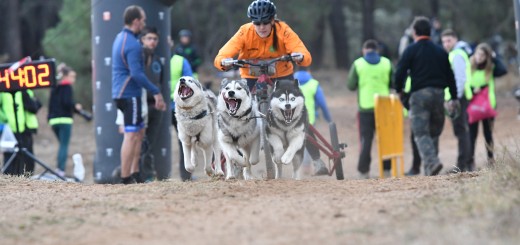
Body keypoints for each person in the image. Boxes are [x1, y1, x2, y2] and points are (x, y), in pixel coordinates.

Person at [395, 16, 458, 176]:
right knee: (434, 131)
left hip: (419, 95)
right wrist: (453, 96)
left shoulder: (411, 49)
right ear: (430, 32)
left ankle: (431, 162)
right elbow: (450, 75)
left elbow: (400, 71)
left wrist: (399, 90)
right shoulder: (440, 51)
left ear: (414, 32)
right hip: (439, 94)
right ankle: (431, 171)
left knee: (421, 132)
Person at [111, 5, 166, 184]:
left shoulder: (121, 38)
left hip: (124, 93)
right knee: (131, 135)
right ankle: (126, 177)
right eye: (142, 19)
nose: (144, 22)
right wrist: (156, 92)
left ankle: (135, 173)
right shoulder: (133, 44)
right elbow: (136, 74)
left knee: (139, 132)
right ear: (136, 21)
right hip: (129, 94)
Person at [214, 0, 312, 90]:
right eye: (257, 23)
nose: (261, 27)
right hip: (250, 76)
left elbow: (303, 54)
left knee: (292, 103)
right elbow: (222, 55)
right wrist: (223, 62)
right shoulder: (244, 32)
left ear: (273, 20)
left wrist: (300, 57)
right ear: (252, 22)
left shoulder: (283, 30)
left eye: (265, 23)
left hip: (282, 74)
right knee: (241, 105)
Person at [347, 39, 393, 179]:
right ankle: (386, 170)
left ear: (364, 50)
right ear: (377, 50)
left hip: (365, 108)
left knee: (366, 140)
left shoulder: (358, 64)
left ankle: (364, 171)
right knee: (385, 139)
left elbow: (351, 85)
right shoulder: (387, 63)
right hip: (384, 106)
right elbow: (394, 82)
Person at [468, 43, 507, 170]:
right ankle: (470, 161)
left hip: (488, 106)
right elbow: (464, 82)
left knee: (488, 134)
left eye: (483, 55)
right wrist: (472, 90)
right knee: (471, 135)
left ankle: (491, 161)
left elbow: (503, 70)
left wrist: (494, 58)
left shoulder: (491, 68)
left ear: (487, 57)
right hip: (472, 105)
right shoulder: (469, 65)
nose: (479, 57)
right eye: (478, 53)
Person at [441, 29, 473, 173]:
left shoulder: (457, 55)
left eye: (449, 40)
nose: (446, 44)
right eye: (444, 41)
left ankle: (462, 164)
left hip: (458, 98)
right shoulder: (454, 54)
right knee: (461, 130)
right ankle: (466, 163)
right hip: (457, 97)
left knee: (461, 130)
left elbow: (460, 79)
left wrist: (455, 99)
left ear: (455, 39)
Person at [47, 64, 83, 177]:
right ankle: (60, 170)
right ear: (66, 76)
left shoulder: (54, 87)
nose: (73, 79)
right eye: (72, 76)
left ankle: (59, 169)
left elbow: (50, 104)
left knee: (61, 145)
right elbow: (67, 103)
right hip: (65, 120)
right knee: (64, 145)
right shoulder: (67, 87)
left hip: (53, 121)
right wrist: (76, 107)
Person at [294, 67, 331, 176]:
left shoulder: (291, 83)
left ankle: (299, 166)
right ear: (308, 71)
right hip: (309, 119)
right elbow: (322, 104)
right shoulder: (314, 84)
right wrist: (328, 118)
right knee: (308, 139)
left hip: (293, 119)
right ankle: (306, 166)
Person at [0, 89, 40, 176]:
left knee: (27, 157)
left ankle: (26, 176)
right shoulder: (3, 91)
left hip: (26, 128)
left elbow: (33, 107)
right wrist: (5, 119)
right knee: (11, 156)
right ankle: (9, 176)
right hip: (10, 129)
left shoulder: (26, 90)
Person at [170, 41, 194, 181]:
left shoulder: (180, 61)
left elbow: (190, 82)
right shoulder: (180, 61)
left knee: (185, 142)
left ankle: (186, 176)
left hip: (179, 108)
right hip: (162, 107)